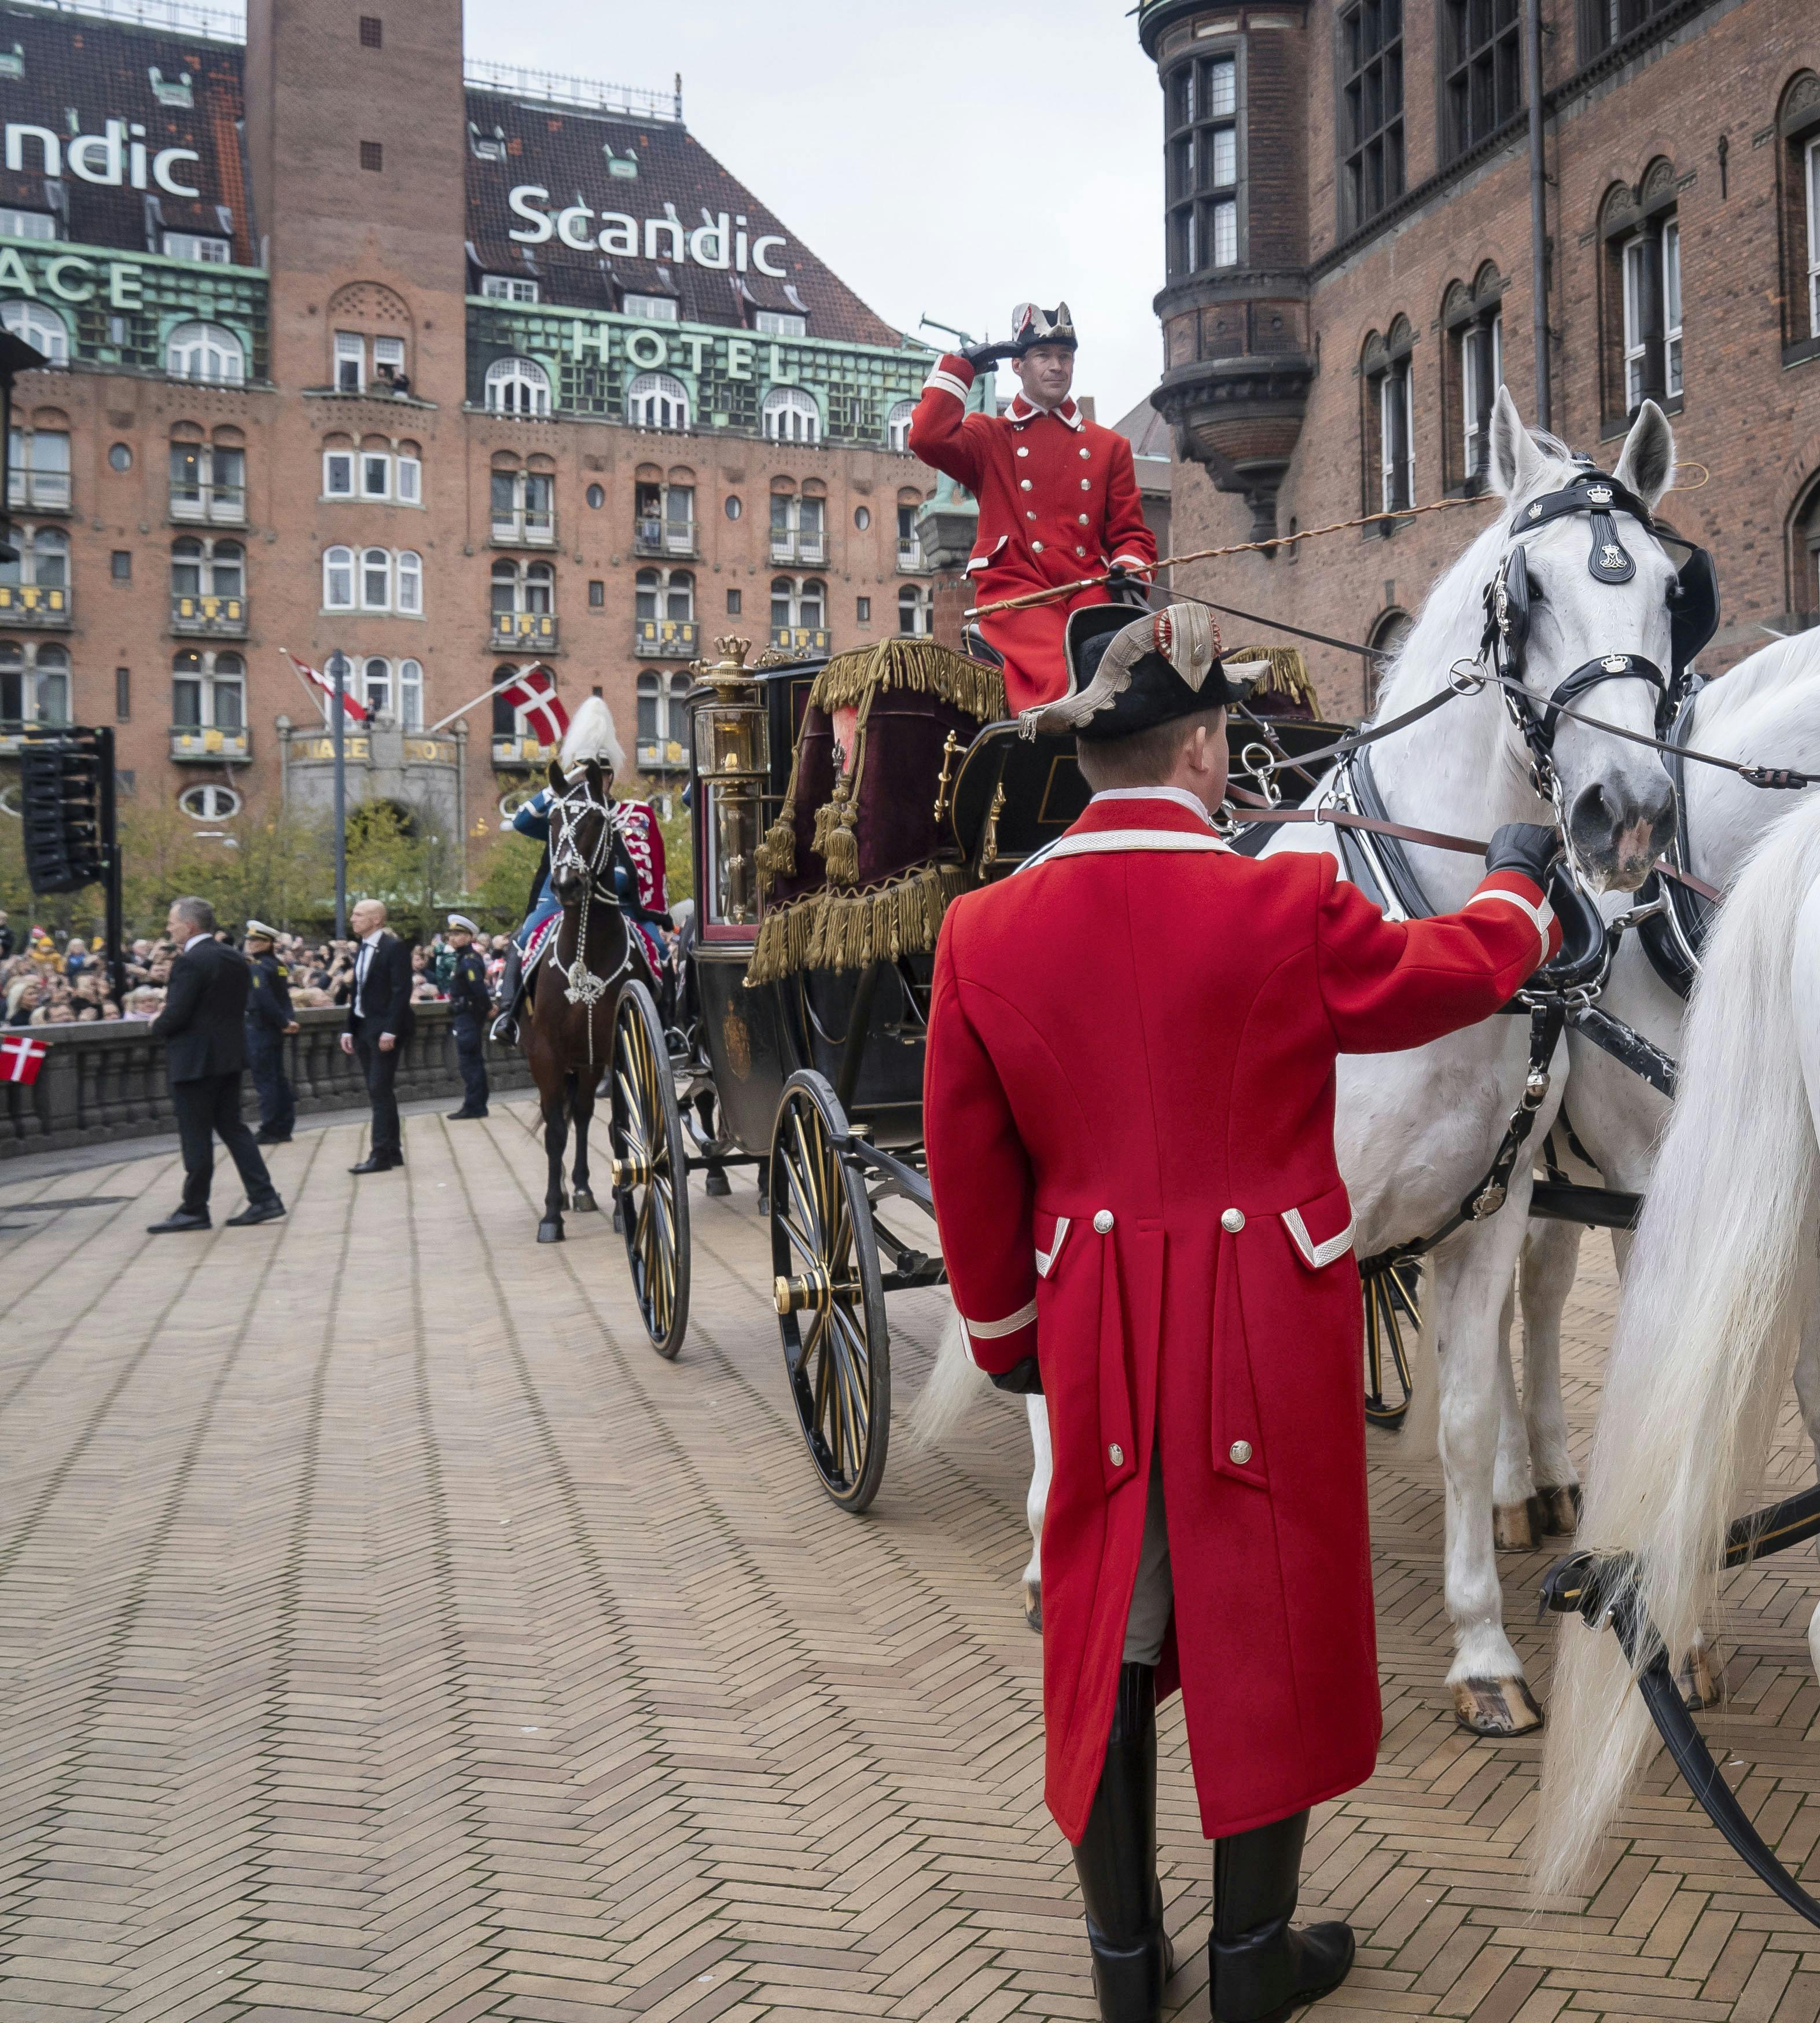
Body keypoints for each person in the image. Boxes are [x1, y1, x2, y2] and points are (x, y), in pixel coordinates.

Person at [921, 603, 1564, 2023]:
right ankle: (1253, 1960)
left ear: (1095, 761)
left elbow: (969, 1172)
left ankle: (1124, 1968)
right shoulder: (1282, 901)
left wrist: (1008, 1340)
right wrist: (1518, 888)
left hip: (1093, 1323)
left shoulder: (983, 928)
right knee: (1262, 1626)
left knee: (1111, 1635)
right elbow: (1442, 975)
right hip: (1266, 1319)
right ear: (1206, 749)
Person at [908, 302, 1157, 714]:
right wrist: (962, 367)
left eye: (1065, 357)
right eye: (1043, 356)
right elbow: (926, 436)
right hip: (1017, 594)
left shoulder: (1108, 446)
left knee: (1146, 671)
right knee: (1067, 678)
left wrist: (1129, 569)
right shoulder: (989, 437)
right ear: (1017, 365)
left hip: (1089, 590)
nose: (1056, 366)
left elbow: (1131, 535)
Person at [490, 696, 668, 1042]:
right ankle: (508, 1014)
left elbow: (651, 869)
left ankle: (667, 1027)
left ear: (611, 777)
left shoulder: (635, 815)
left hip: (623, 906)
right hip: (562, 899)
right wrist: (566, 779)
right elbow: (522, 820)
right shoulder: (563, 813)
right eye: (588, 775)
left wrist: (638, 898)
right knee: (525, 937)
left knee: (659, 949)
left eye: (600, 775)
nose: (594, 782)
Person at [145, 895, 286, 1233]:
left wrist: (156, 1024)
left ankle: (194, 1208)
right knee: (234, 1129)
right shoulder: (233, 957)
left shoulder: (191, 961)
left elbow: (178, 1013)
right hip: (229, 1057)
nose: (169, 928)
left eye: (172, 922)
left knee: (196, 1135)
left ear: (190, 925)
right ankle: (264, 1197)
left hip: (195, 1060)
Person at [340, 897, 414, 1173]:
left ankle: (380, 1154)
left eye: (358, 915)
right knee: (379, 1091)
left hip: (384, 1030)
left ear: (376, 920)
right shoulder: (363, 948)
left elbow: (401, 991)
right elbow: (357, 992)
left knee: (379, 1089)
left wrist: (390, 1030)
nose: (352, 919)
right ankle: (392, 1151)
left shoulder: (393, 948)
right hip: (363, 1027)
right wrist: (349, 1028)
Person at [242, 919, 299, 1145]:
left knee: (266, 1081)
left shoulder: (258, 967)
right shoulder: (278, 965)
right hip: (273, 1028)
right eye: (250, 939)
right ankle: (284, 1126)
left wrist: (282, 1020)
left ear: (268, 943)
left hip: (261, 1027)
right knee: (278, 1079)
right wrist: (286, 1020)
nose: (251, 943)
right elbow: (284, 997)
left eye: (257, 940)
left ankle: (269, 1128)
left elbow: (264, 998)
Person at [444, 913, 491, 1119]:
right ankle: (477, 1104)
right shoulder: (463, 958)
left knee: (469, 1062)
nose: (452, 938)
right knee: (472, 1061)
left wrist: (487, 1008)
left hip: (468, 1016)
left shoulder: (469, 960)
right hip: (466, 1014)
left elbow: (478, 988)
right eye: (451, 934)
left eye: (457, 934)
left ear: (470, 937)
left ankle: (474, 1105)